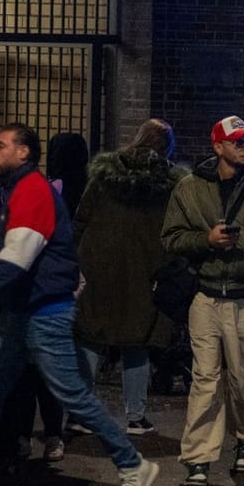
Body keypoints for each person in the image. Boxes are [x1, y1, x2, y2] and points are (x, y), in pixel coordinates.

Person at [0, 125, 159, 486]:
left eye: (1, 145)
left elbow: (16, 260)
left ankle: (133, 465)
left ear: (24, 153)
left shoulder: (31, 192)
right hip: (24, 312)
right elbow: (6, 258)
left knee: (72, 396)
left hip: (43, 314)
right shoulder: (16, 191)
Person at [161, 115, 244, 486]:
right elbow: (170, 237)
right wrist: (206, 240)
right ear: (217, 146)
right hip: (205, 295)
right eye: (237, 141)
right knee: (204, 378)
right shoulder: (189, 189)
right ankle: (199, 457)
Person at [74, 119, 185, 435]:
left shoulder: (104, 176)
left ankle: (80, 413)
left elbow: (82, 217)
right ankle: (135, 415)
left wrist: (76, 260)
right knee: (138, 342)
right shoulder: (169, 184)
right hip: (144, 271)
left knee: (92, 338)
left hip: (99, 266)